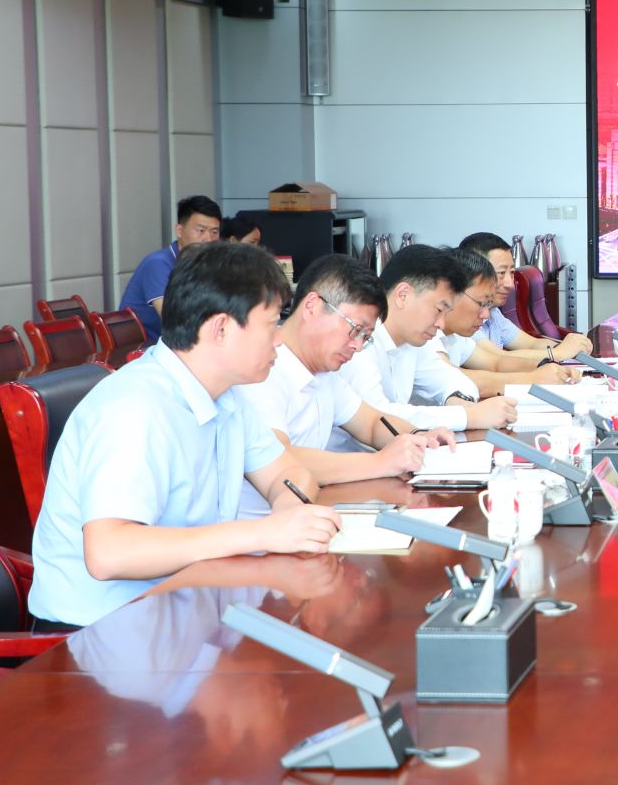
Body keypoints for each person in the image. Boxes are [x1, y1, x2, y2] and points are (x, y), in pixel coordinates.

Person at [28, 241, 340, 629]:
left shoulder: (228, 396)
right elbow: (109, 553)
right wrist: (262, 533)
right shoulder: (135, 409)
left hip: (184, 608)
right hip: (97, 634)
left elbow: (288, 475)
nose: (279, 338)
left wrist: (289, 516)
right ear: (221, 328)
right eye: (271, 323)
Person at [232, 254, 453, 517]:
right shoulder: (262, 372)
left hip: (308, 515)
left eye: (365, 337)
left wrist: (419, 436)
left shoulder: (325, 374)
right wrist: (379, 462)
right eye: (355, 330)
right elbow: (280, 457)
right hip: (262, 529)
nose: (357, 346)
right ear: (312, 306)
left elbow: (371, 423)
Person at [334, 244, 517, 448]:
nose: (441, 324)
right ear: (403, 295)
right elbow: (377, 416)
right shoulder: (358, 340)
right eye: (438, 310)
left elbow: (454, 380)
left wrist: (459, 402)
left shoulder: (413, 341)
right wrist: (468, 415)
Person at [433, 247, 586, 395]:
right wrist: (533, 378)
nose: (486, 315)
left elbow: (496, 362)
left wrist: (546, 366)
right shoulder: (428, 336)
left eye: (487, 304)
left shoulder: (456, 336)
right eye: (480, 303)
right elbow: (457, 380)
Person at [458, 232, 592, 363]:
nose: (510, 284)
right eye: (501, 273)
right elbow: (498, 359)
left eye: (511, 273)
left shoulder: (493, 312)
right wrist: (558, 353)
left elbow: (532, 344)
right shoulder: (464, 319)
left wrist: (569, 348)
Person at [119, 195, 223, 339]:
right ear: (179, 231)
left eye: (214, 232)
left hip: (181, 344)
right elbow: (174, 320)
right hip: (147, 347)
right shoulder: (158, 264)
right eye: (200, 230)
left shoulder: (206, 265)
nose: (208, 239)